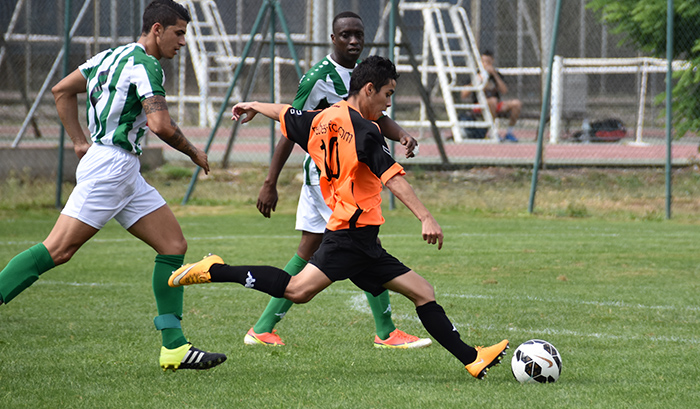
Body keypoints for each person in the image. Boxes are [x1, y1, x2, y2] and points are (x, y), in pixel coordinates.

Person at [170, 56, 509, 379]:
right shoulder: (365, 131)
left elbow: (286, 113)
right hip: (349, 235)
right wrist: (426, 217)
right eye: (388, 94)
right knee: (297, 290)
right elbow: (392, 178)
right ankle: (214, 270)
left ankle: (473, 358)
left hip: (361, 239)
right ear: (369, 89)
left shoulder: (321, 118)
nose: (388, 104)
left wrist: (254, 106)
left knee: (422, 290)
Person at [0, 0, 226, 372]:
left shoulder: (109, 56)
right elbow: (161, 125)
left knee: (173, 245)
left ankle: (174, 347)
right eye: (179, 33)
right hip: (111, 167)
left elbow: (61, 90)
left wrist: (78, 140)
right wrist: (193, 151)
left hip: (120, 166)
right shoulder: (147, 64)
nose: (182, 42)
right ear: (157, 30)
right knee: (57, 250)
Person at [249, 11, 430, 349]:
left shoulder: (365, 76)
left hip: (349, 175)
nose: (353, 41)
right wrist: (270, 181)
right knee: (363, 246)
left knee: (315, 248)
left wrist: (401, 134)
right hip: (327, 177)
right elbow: (292, 123)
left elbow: (374, 116)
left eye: (358, 34)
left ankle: (262, 326)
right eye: (346, 35)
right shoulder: (318, 77)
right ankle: (387, 331)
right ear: (333, 38)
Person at [461, 49, 522, 142]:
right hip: (479, 105)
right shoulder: (475, 74)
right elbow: (463, 94)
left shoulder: (496, 75)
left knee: (516, 103)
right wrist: (476, 81)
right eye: (483, 62)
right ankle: (493, 132)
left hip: (496, 104)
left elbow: (504, 91)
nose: (486, 64)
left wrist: (494, 74)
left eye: (488, 62)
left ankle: (509, 133)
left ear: (492, 62)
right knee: (492, 101)